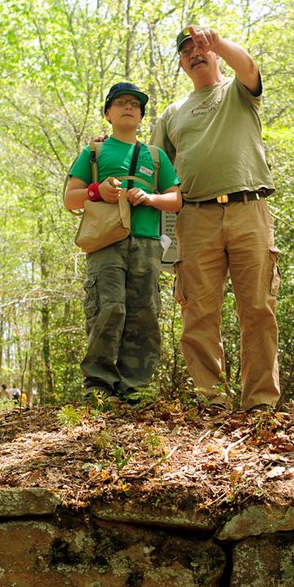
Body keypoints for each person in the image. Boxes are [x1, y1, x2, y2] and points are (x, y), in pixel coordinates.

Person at [152, 26, 280, 412]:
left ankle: (259, 403)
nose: (195, 53)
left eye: (201, 47)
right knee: (199, 313)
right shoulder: (172, 114)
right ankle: (212, 402)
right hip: (195, 217)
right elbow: (156, 172)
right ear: (181, 63)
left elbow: (249, 65)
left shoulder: (239, 92)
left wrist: (219, 40)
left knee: (258, 308)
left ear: (216, 54)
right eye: (187, 50)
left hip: (249, 209)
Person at [64, 82, 182, 401]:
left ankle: (135, 387)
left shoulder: (155, 157)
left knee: (144, 310)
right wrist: (96, 191)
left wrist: (149, 197)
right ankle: (99, 386)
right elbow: (70, 198)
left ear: (142, 116)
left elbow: (175, 199)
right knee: (108, 307)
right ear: (108, 113)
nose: (128, 107)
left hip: (146, 243)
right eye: (120, 102)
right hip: (106, 241)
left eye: (135, 104)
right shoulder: (95, 152)